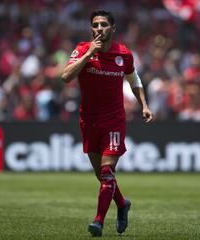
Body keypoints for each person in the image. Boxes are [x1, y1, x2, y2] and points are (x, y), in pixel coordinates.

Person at [61, 9, 153, 237]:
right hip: (89, 120)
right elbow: (65, 76)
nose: (99, 29)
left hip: (114, 120)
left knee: (107, 171)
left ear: (113, 28)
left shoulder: (124, 54)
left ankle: (98, 221)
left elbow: (134, 79)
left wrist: (144, 104)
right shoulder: (82, 49)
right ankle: (122, 204)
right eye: (95, 25)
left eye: (103, 25)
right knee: (101, 175)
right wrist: (88, 54)